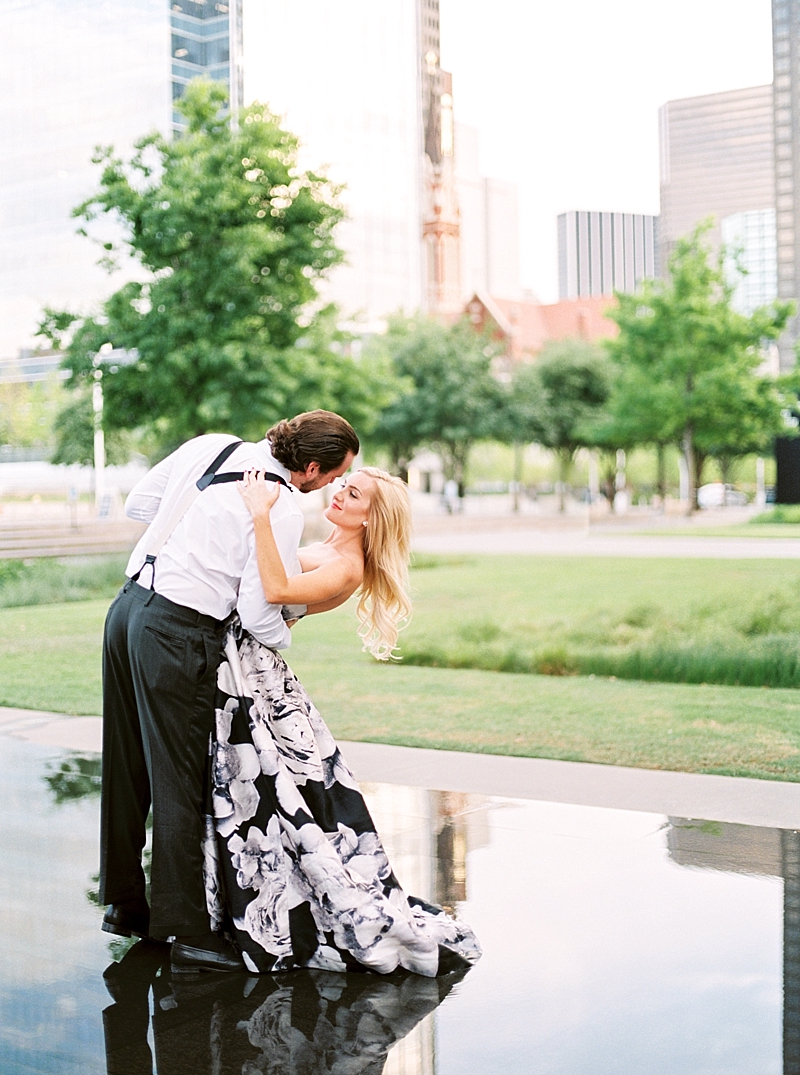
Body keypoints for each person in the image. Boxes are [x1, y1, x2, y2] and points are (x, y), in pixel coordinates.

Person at [99, 410, 359, 974]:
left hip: (126, 610)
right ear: (310, 467)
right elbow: (258, 613)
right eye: (334, 476)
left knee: (126, 764)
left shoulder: (215, 445)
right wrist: (287, 625)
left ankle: (125, 905)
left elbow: (139, 506)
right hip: (177, 631)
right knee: (181, 780)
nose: (331, 488)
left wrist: (194, 532)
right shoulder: (282, 508)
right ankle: (188, 930)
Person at [198, 467, 481, 978]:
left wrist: (260, 515)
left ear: (372, 519)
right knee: (271, 791)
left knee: (267, 791)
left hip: (254, 670)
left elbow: (280, 588)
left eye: (353, 495)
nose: (339, 495)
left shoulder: (347, 566)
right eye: (343, 487)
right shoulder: (325, 543)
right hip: (241, 657)